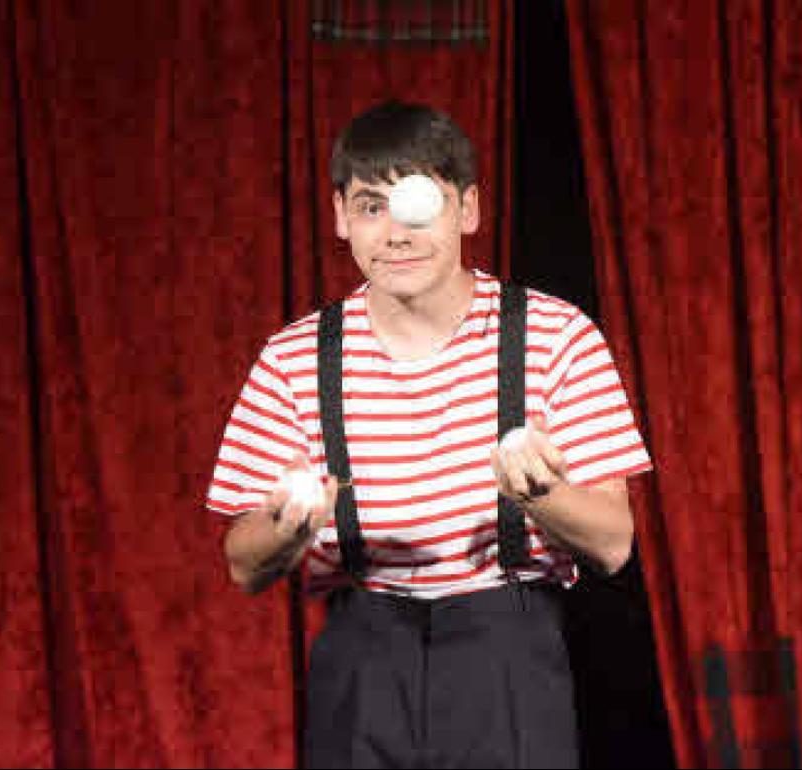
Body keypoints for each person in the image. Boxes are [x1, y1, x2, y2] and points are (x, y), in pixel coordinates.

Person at [206, 100, 652, 769]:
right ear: (340, 217)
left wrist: (539, 494)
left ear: (467, 209)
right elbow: (243, 564)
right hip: (362, 652)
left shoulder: (556, 336)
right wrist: (290, 524)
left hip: (506, 651)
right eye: (370, 207)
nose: (397, 234)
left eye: (421, 205)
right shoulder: (293, 359)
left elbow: (614, 545)